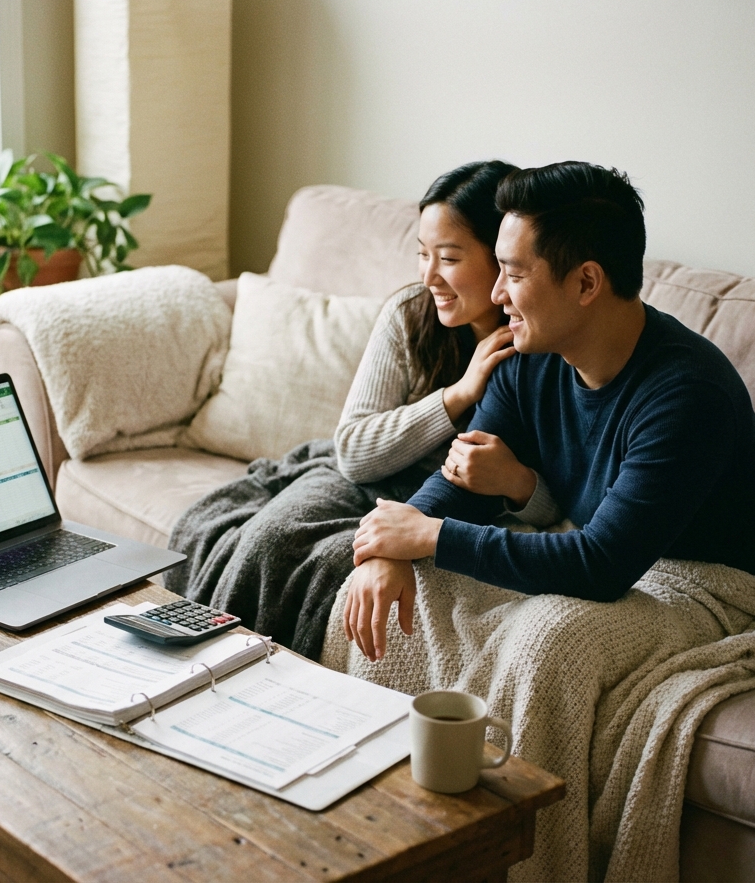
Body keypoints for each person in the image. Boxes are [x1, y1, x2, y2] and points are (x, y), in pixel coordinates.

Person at [345, 160, 755, 662]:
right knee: (424, 591)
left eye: (514, 274)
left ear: (586, 284)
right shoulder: (528, 358)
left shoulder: (688, 395)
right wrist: (392, 542)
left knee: (551, 639)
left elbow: (599, 566)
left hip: (715, 587)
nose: (498, 294)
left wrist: (428, 534)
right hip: (618, 560)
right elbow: (462, 477)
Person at [165, 160, 558, 658]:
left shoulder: (541, 352)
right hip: (362, 478)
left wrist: (514, 483)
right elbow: (352, 451)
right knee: (269, 539)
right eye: (422, 255)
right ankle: (198, 665)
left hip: (447, 513)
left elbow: (556, 503)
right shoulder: (409, 316)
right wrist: (457, 395)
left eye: (451, 258)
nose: (430, 276)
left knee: (333, 566)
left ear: (501, 259)